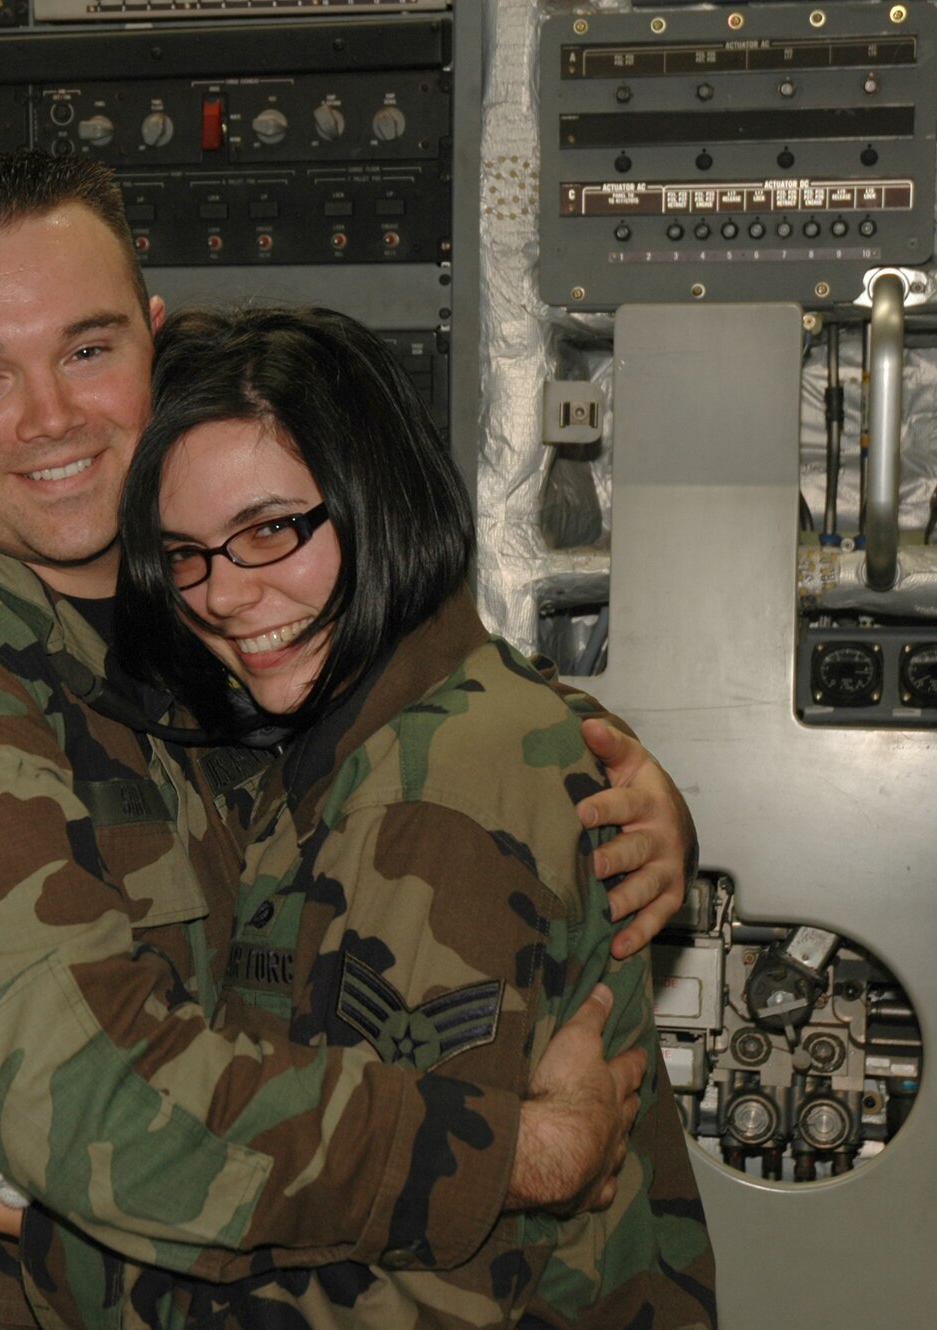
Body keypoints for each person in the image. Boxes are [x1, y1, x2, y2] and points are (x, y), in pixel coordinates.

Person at [0, 151, 697, 1330]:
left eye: (86, 349)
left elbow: (394, 683)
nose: (49, 417)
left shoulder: (184, 584)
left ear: (154, 345)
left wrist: (601, 771)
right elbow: (98, 1104)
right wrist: (518, 1151)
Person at [105, 304, 715, 1326]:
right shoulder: (357, 720)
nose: (222, 596)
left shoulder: (428, 800)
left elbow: (407, 1286)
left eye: (269, 529)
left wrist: (28, 1232)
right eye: (184, 555)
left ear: (378, 504)